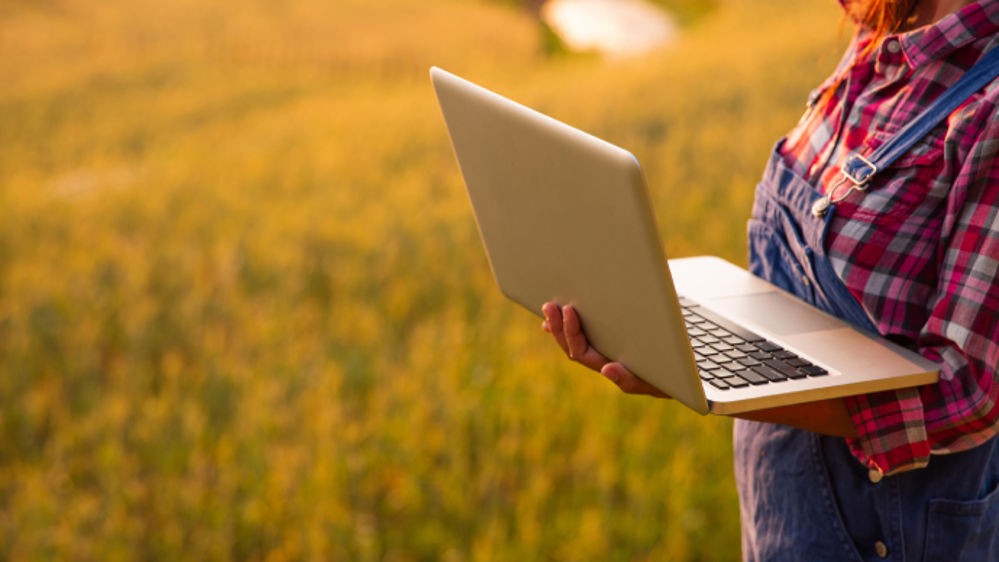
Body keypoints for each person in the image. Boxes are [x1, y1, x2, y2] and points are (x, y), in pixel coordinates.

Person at [540, 0, 999, 559]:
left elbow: (968, 393)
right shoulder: (882, 31)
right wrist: (699, 339)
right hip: (780, 503)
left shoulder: (989, 102)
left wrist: (714, 381)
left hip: (884, 532)